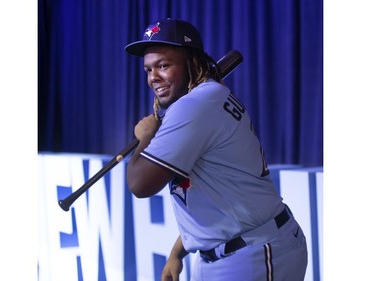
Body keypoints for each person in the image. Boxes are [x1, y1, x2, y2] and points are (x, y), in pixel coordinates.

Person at [125, 18, 308, 281]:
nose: (154, 77)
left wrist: (145, 136)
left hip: (252, 253)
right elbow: (214, 198)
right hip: (232, 250)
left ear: (191, 62)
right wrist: (178, 253)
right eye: (148, 69)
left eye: (164, 65)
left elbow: (140, 184)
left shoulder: (194, 106)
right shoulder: (204, 99)